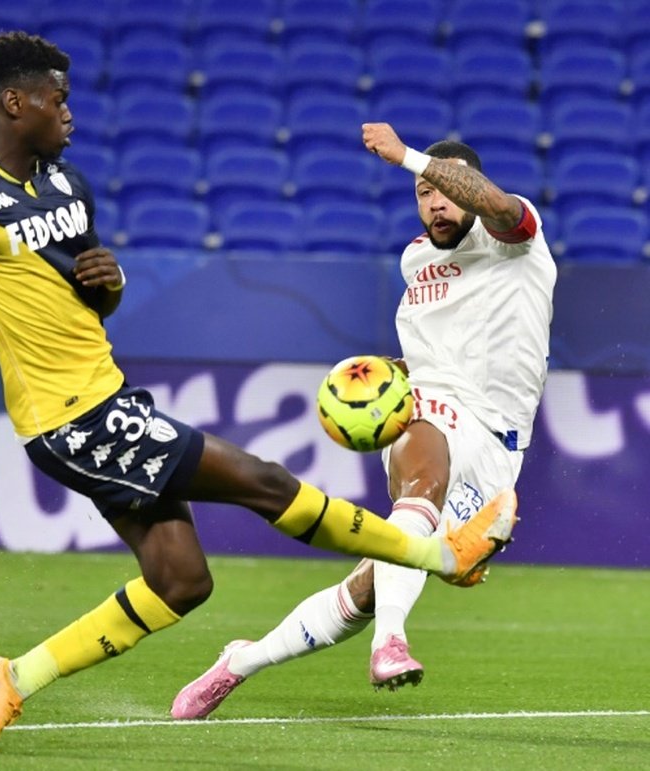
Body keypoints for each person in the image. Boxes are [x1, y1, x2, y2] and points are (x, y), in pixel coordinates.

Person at [0, 32, 516, 754]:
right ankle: (443, 555)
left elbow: (93, 298)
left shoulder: (69, 186)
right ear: (14, 103)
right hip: (67, 420)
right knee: (264, 482)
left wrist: (111, 283)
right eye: (56, 98)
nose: (68, 112)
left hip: (111, 400)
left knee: (181, 580)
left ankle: (8, 677)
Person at [170, 124, 556, 720]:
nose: (432, 202)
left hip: (501, 443)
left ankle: (239, 661)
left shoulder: (514, 237)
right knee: (422, 452)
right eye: (422, 193)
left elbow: (499, 205)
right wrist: (389, 372)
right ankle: (391, 644)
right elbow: (435, 353)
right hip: (431, 410)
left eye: (443, 190)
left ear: (470, 189)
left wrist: (407, 158)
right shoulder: (415, 260)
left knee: (368, 589)